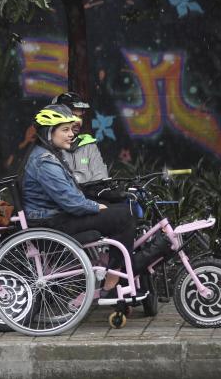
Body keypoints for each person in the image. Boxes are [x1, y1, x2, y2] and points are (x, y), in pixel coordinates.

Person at [21, 104, 137, 298]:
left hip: (56, 218)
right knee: (124, 215)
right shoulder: (44, 161)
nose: (71, 134)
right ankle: (112, 282)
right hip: (53, 224)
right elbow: (71, 202)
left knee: (118, 210)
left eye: (70, 129)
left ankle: (118, 275)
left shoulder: (48, 156)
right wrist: (95, 206)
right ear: (49, 133)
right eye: (64, 130)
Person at [54, 92, 110, 190]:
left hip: (91, 201)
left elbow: (102, 178)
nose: (78, 121)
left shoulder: (88, 145)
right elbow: (59, 188)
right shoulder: (48, 147)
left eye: (80, 117)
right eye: (73, 116)